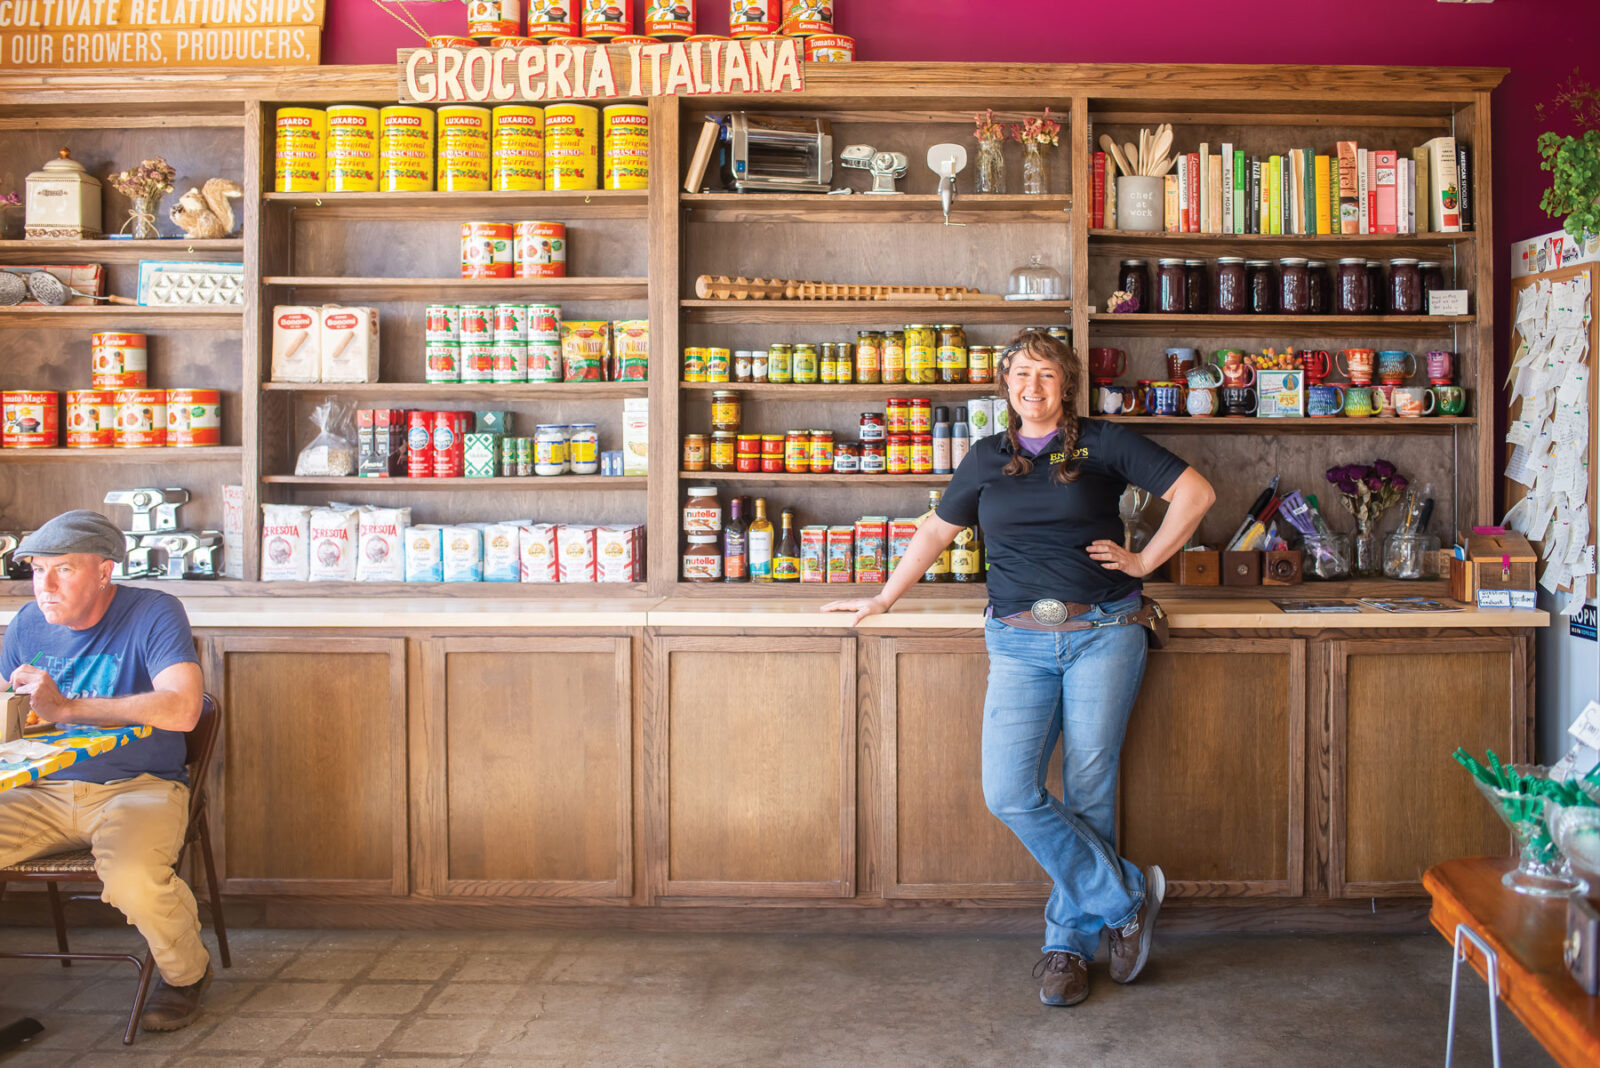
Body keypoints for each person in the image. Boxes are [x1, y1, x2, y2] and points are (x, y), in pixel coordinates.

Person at [824, 331, 1215, 1007]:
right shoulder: (986, 458)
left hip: (1105, 633)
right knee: (1009, 791)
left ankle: (1065, 948)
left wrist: (1146, 563)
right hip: (1017, 641)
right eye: (1019, 376)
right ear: (1005, 387)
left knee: (1090, 791)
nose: (1032, 387)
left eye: (1045, 375)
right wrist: (884, 596)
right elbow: (935, 531)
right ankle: (1127, 899)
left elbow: (1196, 494)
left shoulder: (1104, 443)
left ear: (1067, 383)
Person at [0, 510, 212, 1031]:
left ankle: (187, 976)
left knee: (134, 879)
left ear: (103, 571)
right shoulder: (27, 623)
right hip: (38, 789)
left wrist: (67, 708)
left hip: (139, 786)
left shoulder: (154, 613)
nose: (45, 586)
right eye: (36, 569)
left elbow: (184, 708)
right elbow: (10, 718)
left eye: (64, 570)